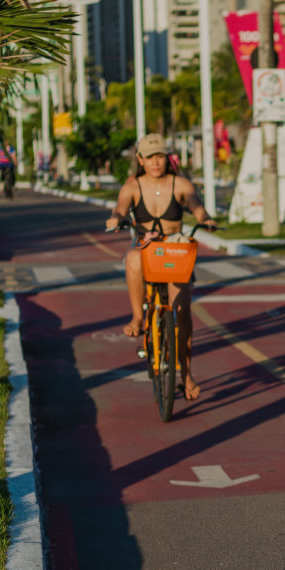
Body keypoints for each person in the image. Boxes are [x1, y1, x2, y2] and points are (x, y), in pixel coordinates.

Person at [105, 133, 216, 401]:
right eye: (150, 157)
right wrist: (115, 219)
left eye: (161, 156)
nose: (156, 162)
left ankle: (186, 375)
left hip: (175, 249)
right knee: (132, 257)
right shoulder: (132, 187)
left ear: (168, 158)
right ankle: (137, 317)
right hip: (146, 249)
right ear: (140, 159)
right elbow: (119, 210)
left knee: (184, 314)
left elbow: (197, 208)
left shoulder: (181, 184)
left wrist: (205, 218)